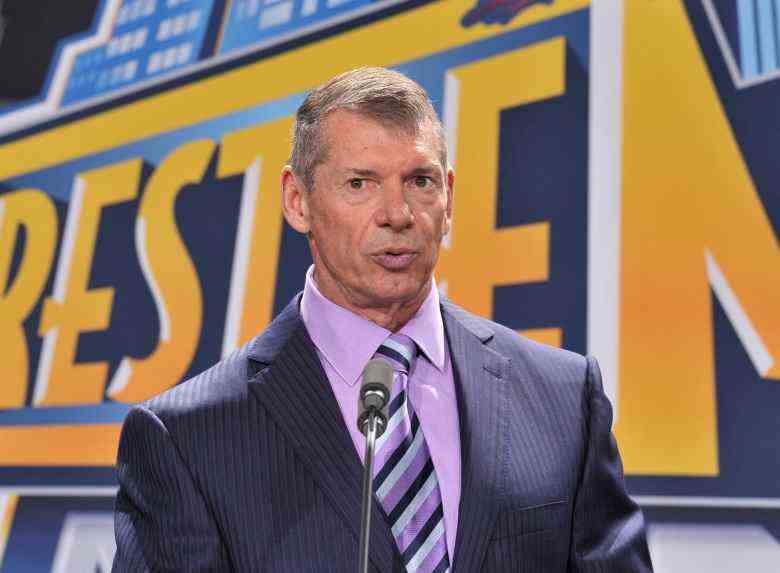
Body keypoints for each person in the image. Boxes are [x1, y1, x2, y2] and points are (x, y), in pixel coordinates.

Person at [113, 67, 652, 572]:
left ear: (449, 197)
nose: (397, 214)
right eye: (360, 184)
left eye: (419, 181)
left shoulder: (563, 398)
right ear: (297, 201)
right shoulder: (187, 439)